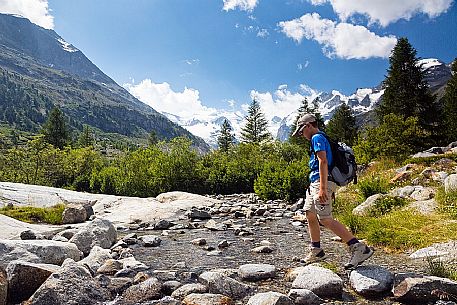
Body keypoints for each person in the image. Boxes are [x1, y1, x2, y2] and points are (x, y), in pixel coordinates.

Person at [292, 113, 373, 269]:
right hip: (316, 182)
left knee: (325, 218)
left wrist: (323, 188)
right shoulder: (322, 138)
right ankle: (316, 250)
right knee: (310, 213)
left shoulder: (317, 138)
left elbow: (323, 161)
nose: (301, 135)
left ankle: (358, 247)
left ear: (308, 126)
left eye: (301, 131)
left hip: (321, 183)